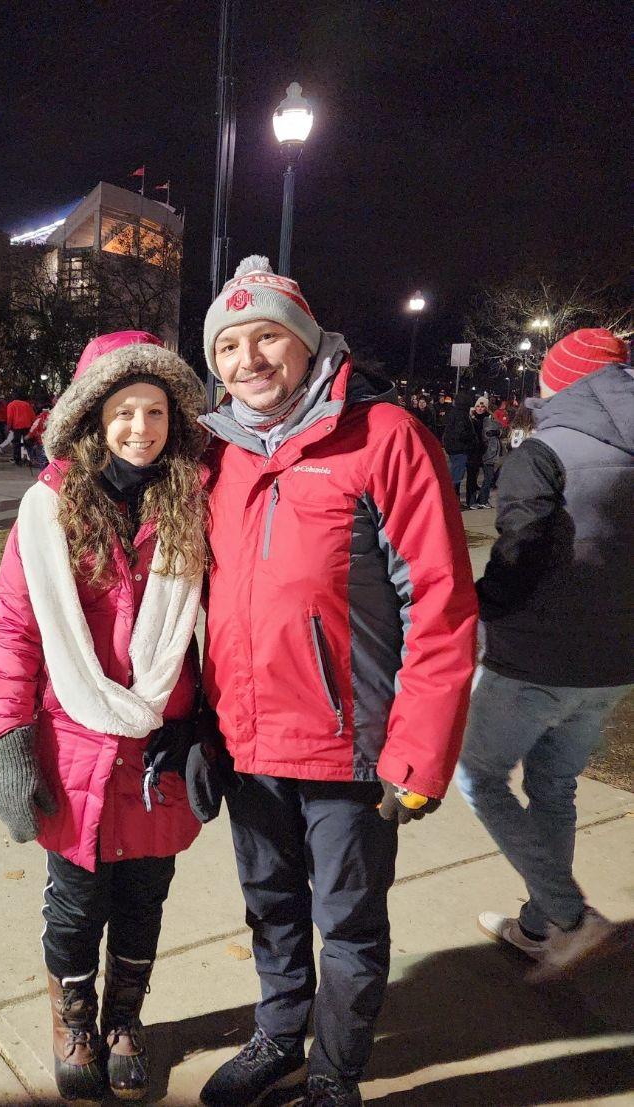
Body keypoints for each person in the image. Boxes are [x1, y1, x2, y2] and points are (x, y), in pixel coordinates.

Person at [196, 257, 477, 1107]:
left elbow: (439, 602)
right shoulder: (214, 453)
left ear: (308, 341)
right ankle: (278, 1035)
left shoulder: (383, 437)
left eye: (266, 337)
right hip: (245, 743)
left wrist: (418, 751)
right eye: (228, 345)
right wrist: (191, 724)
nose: (248, 359)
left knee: (348, 922)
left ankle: (334, 1071)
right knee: (268, 905)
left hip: (348, 746)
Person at [0, 330, 210, 1101]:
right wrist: (8, 742)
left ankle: (123, 1020)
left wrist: (204, 726)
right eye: (123, 411)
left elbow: (226, 627)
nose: (140, 427)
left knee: (143, 899)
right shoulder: (48, 509)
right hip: (75, 743)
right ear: (92, 418)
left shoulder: (192, 501)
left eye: (155, 411)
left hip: (160, 746)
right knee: (76, 905)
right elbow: (13, 632)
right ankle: (74, 1021)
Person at [457, 328, 633, 982]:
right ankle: (539, 927)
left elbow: (519, 550)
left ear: (556, 384)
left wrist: (479, 607)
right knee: (554, 786)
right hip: (614, 664)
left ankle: (568, 915)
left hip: (535, 658)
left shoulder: (544, 452)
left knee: (477, 775)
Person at [442, 390, 480, 505]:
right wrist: (472, 438)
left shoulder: (454, 413)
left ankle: (454, 499)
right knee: (457, 475)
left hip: (454, 447)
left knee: (456, 473)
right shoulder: (461, 415)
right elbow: (461, 433)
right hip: (459, 448)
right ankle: (453, 500)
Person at [472, 395, 503, 508]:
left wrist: (497, 433)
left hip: (487, 452)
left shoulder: (490, 418)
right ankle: (477, 501)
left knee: (489, 477)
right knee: (474, 478)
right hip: (476, 452)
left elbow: (500, 428)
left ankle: (482, 500)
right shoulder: (472, 418)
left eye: (483, 407)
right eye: (478, 406)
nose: (480, 408)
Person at [5, 391, 36, 465]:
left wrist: (8, 428)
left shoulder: (11, 405)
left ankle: (17, 460)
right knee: (28, 443)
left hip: (16, 427)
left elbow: (10, 417)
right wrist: (33, 426)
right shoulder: (27, 404)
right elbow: (33, 416)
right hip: (27, 426)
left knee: (16, 444)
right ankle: (30, 459)